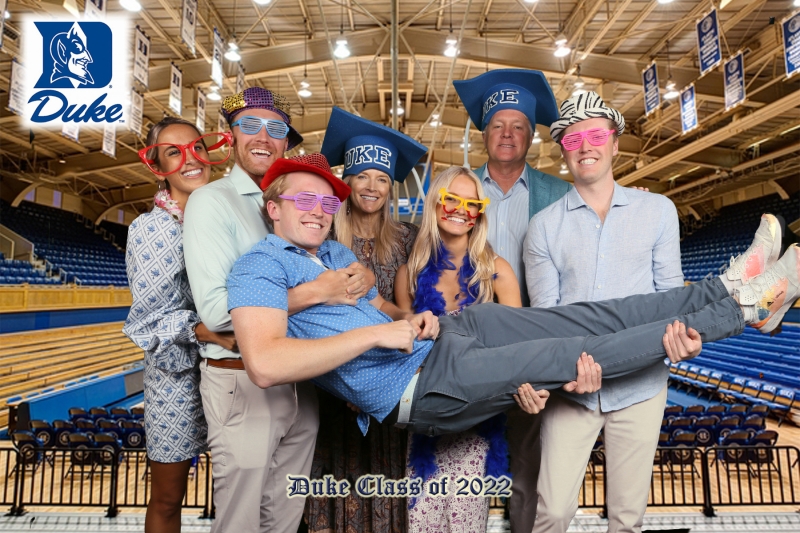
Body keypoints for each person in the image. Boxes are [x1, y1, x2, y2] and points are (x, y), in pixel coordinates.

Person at [227, 153, 799, 442]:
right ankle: (748, 308)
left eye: (326, 203)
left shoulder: (332, 253)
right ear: (272, 208)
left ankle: (724, 286)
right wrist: (375, 331)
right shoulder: (258, 266)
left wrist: (409, 318)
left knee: (583, 317)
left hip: (447, 336)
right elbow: (266, 362)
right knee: (565, 353)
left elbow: (378, 311)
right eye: (302, 201)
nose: (318, 212)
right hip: (419, 387)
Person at [183, 88, 371, 533]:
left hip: (302, 379)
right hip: (243, 379)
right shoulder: (212, 201)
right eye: (250, 125)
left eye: (276, 129)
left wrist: (357, 277)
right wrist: (318, 292)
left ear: (287, 142)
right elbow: (217, 312)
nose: (263, 137)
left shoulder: (300, 199)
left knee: (284, 518)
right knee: (241, 521)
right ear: (231, 135)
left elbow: (331, 276)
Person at [523, 91, 686, 533]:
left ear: (615, 144)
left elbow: (670, 299)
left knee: (627, 517)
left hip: (641, 385)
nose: (585, 147)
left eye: (596, 136)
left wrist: (680, 341)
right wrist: (569, 372)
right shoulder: (543, 227)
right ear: (563, 152)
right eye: (573, 140)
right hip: (572, 389)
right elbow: (548, 319)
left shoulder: (658, 211)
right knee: (553, 512)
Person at [393, 166, 566, 533]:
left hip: (477, 423)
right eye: (451, 200)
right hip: (425, 422)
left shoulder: (496, 271)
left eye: (472, 203)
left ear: (480, 213)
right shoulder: (409, 274)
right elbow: (403, 356)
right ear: (435, 203)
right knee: (420, 523)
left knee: (466, 524)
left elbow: (520, 349)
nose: (461, 210)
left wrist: (529, 392)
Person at [453, 68, 572, 532]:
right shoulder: (459, 192)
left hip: (533, 348)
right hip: (470, 348)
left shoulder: (560, 195)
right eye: (498, 125)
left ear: (531, 136)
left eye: (518, 126)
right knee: (464, 462)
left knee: (527, 465)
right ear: (484, 134)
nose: (507, 134)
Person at [300, 107, 427, 533]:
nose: (371, 187)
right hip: (330, 382)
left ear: (391, 187)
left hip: (391, 383)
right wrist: (348, 382)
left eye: (382, 179)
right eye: (362, 176)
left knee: (387, 483)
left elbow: (410, 309)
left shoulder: (408, 239)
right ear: (347, 181)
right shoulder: (321, 236)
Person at [123, 117, 233, 533]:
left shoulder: (222, 217)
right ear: (157, 166)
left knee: (237, 490)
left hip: (227, 368)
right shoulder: (151, 229)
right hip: (175, 380)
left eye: (197, 148)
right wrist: (206, 330)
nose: (190, 159)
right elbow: (148, 321)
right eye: (174, 152)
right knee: (169, 498)